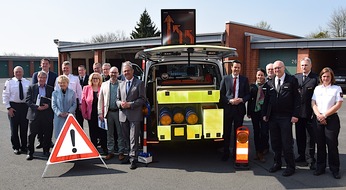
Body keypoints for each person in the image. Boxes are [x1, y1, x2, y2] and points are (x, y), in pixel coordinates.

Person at [262, 60, 300, 177]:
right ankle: (277, 163)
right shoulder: (270, 82)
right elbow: (267, 100)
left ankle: (290, 166)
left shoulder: (292, 80)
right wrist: (264, 114)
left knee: (287, 143)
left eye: (279, 68)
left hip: (286, 117)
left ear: (283, 68)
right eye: (275, 68)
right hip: (273, 117)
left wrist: (295, 114)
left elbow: (297, 99)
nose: (276, 70)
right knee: (275, 142)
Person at [311, 67, 343, 179]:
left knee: (332, 145)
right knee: (320, 145)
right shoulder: (317, 89)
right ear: (321, 77)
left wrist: (324, 115)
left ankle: (335, 169)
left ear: (331, 77)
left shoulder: (336, 88)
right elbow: (313, 103)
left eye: (328, 76)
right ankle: (320, 167)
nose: (326, 78)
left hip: (331, 120)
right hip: (318, 119)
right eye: (324, 76)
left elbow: (338, 104)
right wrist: (319, 115)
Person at [116, 61, 146, 170]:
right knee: (126, 137)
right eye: (124, 71)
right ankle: (129, 155)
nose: (126, 73)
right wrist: (120, 104)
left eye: (128, 71)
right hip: (123, 115)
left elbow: (143, 99)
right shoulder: (121, 84)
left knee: (133, 137)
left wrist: (131, 104)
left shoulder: (139, 83)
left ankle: (134, 158)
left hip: (135, 114)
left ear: (132, 71)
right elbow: (117, 99)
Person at [220, 60, 250, 162]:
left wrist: (242, 100)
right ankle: (226, 152)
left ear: (240, 69)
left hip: (239, 109)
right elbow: (221, 94)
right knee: (227, 132)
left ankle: (236, 153)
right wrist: (229, 101)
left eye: (238, 68)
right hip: (228, 108)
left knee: (238, 133)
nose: (236, 69)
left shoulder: (244, 80)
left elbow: (248, 94)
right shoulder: (225, 78)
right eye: (235, 67)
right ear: (231, 68)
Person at [294, 57, 318, 169]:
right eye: (302, 65)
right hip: (298, 113)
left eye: (306, 65)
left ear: (310, 66)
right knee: (300, 136)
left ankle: (311, 159)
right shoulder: (296, 77)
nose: (304, 67)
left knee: (310, 138)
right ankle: (301, 155)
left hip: (310, 113)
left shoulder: (315, 78)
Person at [98, 66, 126, 160]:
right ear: (109, 73)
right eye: (112, 72)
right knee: (109, 133)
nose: (113, 74)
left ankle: (121, 152)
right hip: (108, 112)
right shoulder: (104, 84)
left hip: (119, 112)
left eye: (115, 72)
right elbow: (100, 99)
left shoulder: (122, 84)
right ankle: (111, 152)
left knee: (120, 133)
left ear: (118, 74)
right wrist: (100, 113)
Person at [25, 71, 54, 160]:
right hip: (34, 114)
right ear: (37, 78)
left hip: (46, 114)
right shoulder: (31, 87)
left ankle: (46, 151)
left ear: (46, 79)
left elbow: (53, 100)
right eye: (40, 77)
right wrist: (36, 107)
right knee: (31, 135)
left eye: (44, 78)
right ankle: (30, 152)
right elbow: (28, 101)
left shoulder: (50, 88)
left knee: (48, 133)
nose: (42, 79)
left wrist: (48, 105)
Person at [2, 66, 30, 155]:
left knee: (24, 128)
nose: (18, 73)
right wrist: (8, 108)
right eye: (16, 72)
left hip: (24, 107)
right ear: (14, 73)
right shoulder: (9, 82)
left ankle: (24, 146)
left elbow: (29, 96)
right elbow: (5, 95)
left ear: (23, 72)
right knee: (14, 129)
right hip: (13, 107)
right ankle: (16, 147)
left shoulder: (27, 82)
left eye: (20, 72)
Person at [31, 58, 57, 149]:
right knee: (38, 125)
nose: (45, 65)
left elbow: (55, 89)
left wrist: (50, 103)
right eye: (43, 64)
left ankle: (48, 141)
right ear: (41, 65)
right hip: (38, 103)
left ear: (49, 65)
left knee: (48, 125)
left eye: (46, 64)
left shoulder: (54, 75)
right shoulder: (35, 75)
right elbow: (33, 88)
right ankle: (40, 141)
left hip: (48, 104)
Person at [81, 72, 107, 154]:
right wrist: (84, 113)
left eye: (97, 78)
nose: (95, 80)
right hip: (91, 113)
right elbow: (83, 102)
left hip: (101, 114)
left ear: (100, 80)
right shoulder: (86, 88)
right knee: (93, 132)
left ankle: (104, 148)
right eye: (93, 78)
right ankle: (94, 149)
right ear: (90, 80)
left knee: (102, 132)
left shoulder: (103, 87)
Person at [247, 68, 268, 162]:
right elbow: (249, 100)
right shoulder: (252, 86)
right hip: (255, 112)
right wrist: (248, 112)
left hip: (264, 113)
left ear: (264, 76)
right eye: (258, 75)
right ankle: (257, 152)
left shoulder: (268, 86)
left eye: (262, 75)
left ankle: (262, 151)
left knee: (264, 132)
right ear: (256, 76)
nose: (260, 77)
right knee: (256, 132)